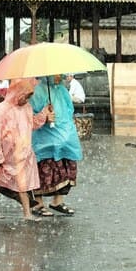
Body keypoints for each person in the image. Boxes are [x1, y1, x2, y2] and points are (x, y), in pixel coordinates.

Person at [0, 78, 54, 220]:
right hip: (6, 153)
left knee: (23, 183)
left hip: (23, 152)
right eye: (26, 95)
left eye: (30, 96)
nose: (27, 99)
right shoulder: (2, 109)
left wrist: (45, 113)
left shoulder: (27, 107)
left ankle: (27, 213)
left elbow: (31, 124)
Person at [29, 75, 83, 216]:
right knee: (44, 168)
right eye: (58, 74)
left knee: (64, 166)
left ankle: (57, 201)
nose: (61, 76)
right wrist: (44, 117)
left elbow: (68, 110)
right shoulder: (37, 91)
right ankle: (38, 204)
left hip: (64, 137)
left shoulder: (62, 90)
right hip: (45, 139)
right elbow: (31, 114)